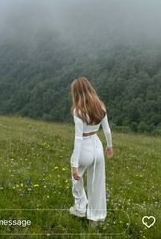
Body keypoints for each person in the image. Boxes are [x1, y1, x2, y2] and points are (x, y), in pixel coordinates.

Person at [69, 77, 113, 223]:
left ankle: (80, 207)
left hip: (85, 147)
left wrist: (74, 164)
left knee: (76, 178)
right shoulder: (100, 106)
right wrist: (109, 146)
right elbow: (107, 130)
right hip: (98, 146)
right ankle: (96, 218)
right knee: (98, 184)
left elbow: (78, 138)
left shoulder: (78, 111)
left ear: (76, 93)